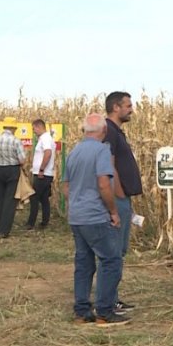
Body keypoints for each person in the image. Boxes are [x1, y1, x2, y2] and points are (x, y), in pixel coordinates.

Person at [63, 113, 127, 327]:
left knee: (83, 262)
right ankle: (105, 311)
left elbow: (65, 186)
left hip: (77, 216)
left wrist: (75, 205)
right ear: (104, 131)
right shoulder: (101, 150)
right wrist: (113, 212)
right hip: (95, 216)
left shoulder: (74, 152)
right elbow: (103, 184)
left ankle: (82, 311)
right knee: (111, 261)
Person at [104, 91, 143, 313]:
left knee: (119, 250)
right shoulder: (109, 131)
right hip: (117, 199)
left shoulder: (115, 131)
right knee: (115, 251)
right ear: (116, 107)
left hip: (122, 198)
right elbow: (109, 165)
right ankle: (110, 300)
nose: (131, 109)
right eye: (128, 106)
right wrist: (118, 195)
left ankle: (112, 297)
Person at [0, 117, 26, 238]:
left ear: (4, 127)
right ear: (14, 128)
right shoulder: (16, 141)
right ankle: (4, 231)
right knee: (9, 201)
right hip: (12, 170)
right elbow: (22, 159)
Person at [26, 119, 55, 230]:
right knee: (43, 198)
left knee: (34, 197)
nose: (34, 131)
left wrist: (41, 170)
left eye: (34, 129)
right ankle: (44, 222)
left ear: (39, 127)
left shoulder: (45, 138)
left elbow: (48, 153)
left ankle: (31, 223)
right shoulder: (45, 138)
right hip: (45, 173)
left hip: (43, 174)